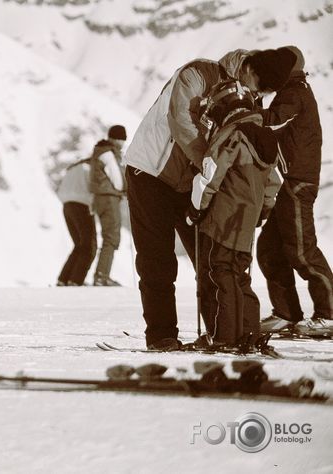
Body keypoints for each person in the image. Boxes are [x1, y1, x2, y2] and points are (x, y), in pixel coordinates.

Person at [124, 47, 296, 350]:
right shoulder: (198, 74)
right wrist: (213, 162)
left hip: (193, 182)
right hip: (150, 173)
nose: (260, 95)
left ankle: (222, 334)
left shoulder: (247, 96)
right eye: (261, 87)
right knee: (157, 261)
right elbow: (181, 122)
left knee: (210, 259)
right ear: (249, 70)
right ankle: (162, 336)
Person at [186, 80, 281, 346]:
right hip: (246, 221)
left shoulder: (231, 135)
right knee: (240, 275)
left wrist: (195, 209)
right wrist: (262, 211)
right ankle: (249, 335)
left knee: (221, 273)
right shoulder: (263, 137)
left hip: (223, 219)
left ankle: (224, 337)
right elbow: (274, 182)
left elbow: (209, 175)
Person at [256, 46, 333, 337]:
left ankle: (329, 314)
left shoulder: (294, 93)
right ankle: (286, 313)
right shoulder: (291, 91)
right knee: (270, 250)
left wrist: (241, 111)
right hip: (289, 181)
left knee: (302, 250)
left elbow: (273, 120)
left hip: (297, 182)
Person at [90, 125, 127, 286]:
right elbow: (117, 179)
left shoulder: (101, 151)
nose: (122, 142)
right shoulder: (107, 154)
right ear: (115, 138)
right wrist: (125, 190)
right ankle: (102, 275)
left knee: (108, 235)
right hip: (109, 197)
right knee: (111, 236)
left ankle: (101, 273)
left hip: (100, 198)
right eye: (121, 138)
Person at [56, 155, 96, 286]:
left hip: (67, 206)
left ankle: (63, 279)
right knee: (89, 245)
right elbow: (96, 187)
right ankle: (76, 280)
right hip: (81, 205)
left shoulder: (72, 169)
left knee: (78, 245)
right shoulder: (88, 169)